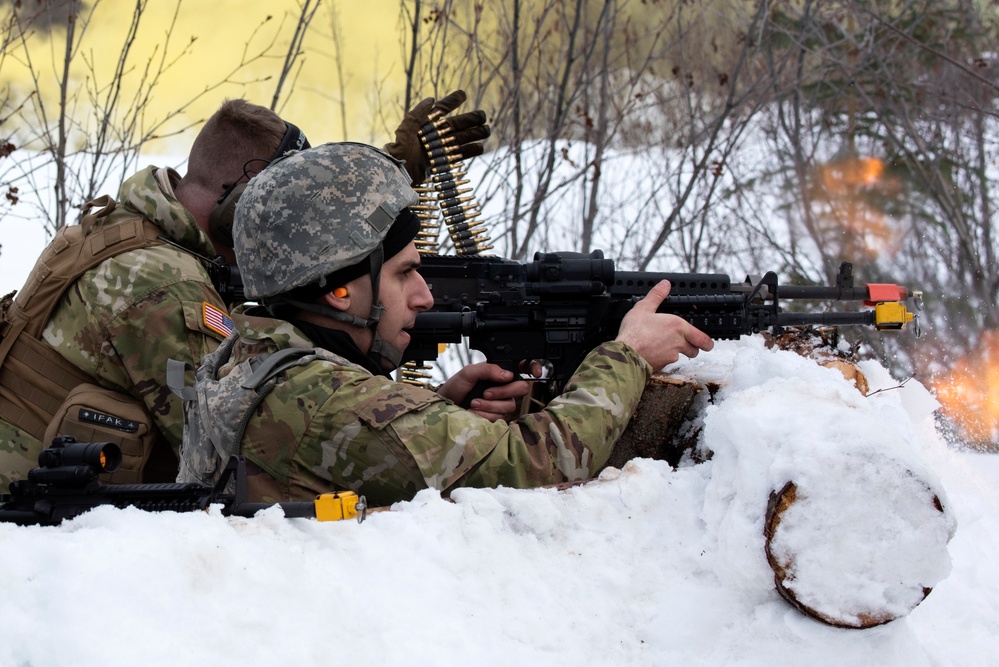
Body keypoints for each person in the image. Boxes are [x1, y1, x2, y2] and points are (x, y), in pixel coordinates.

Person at [176, 142, 714, 508]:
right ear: (339, 289)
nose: (425, 295)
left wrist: (438, 412)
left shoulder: (251, 357)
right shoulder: (315, 400)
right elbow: (537, 467)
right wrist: (628, 356)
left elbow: (360, 447)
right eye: (405, 272)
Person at [0, 92, 491, 486]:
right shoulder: (164, 287)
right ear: (244, 189)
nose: (279, 224)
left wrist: (386, 176)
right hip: (38, 524)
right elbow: (244, 442)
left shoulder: (136, 226)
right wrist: (421, 431)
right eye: (266, 203)